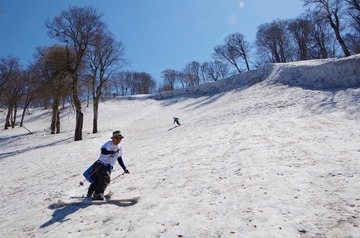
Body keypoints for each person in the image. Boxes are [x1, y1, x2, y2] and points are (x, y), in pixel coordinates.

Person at [86, 130, 130, 200]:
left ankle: (91, 191)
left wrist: (124, 168)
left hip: (109, 167)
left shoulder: (119, 147)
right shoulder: (109, 144)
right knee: (105, 178)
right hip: (101, 164)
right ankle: (98, 194)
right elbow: (103, 151)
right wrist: (111, 152)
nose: (118, 140)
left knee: (99, 180)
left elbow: (119, 159)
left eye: (120, 138)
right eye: (116, 138)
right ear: (113, 138)